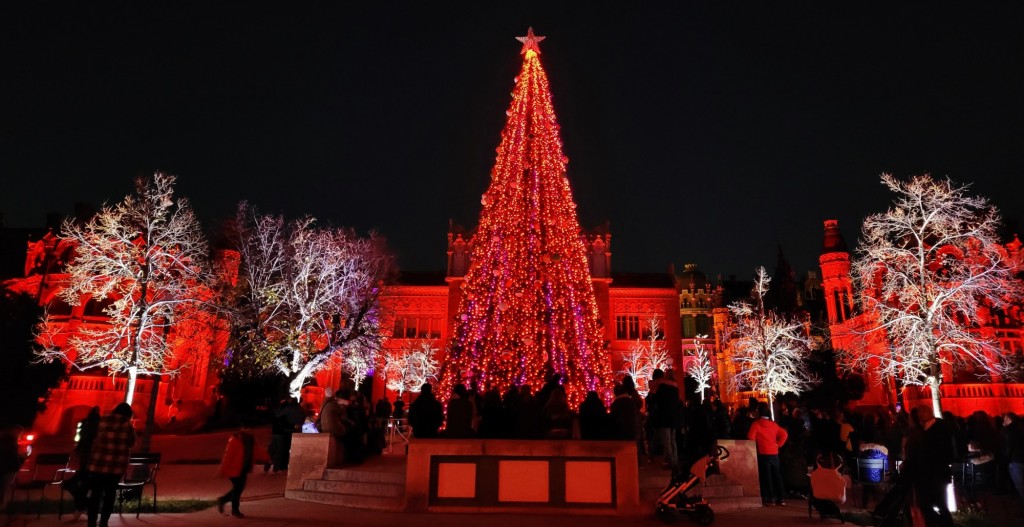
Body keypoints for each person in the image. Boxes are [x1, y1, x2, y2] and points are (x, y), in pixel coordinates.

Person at [902, 404, 955, 527]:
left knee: (939, 503)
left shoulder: (940, 429)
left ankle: (945, 524)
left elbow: (943, 452)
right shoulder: (924, 429)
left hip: (936, 473)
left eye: (921, 413)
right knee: (926, 503)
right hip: (926, 474)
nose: (919, 416)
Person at [86, 403, 136, 527]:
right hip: (116, 466)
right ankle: (104, 522)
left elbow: (94, 438)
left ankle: (91, 522)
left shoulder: (102, 420)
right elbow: (131, 442)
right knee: (110, 493)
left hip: (98, 464)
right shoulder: (127, 424)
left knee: (95, 494)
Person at [216, 423, 267, 518]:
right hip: (233, 469)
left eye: (250, 428)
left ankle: (223, 500)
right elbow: (228, 456)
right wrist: (223, 469)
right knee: (238, 489)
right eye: (247, 428)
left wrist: (267, 457)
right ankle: (235, 510)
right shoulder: (235, 440)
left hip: (243, 468)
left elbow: (257, 450)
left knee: (238, 488)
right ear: (242, 428)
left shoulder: (250, 439)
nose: (249, 430)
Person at [748, 402, 788, 506]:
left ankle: (769, 498)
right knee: (777, 474)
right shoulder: (773, 424)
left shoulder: (756, 424)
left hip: (763, 452)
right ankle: (781, 497)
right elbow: (784, 434)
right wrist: (778, 444)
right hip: (774, 452)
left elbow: (750, 437)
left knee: (767, 476)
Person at [66, 406, 100, 520]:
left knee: (81, 484)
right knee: (86, 485)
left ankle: (81, 507)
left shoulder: (86, 425)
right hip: (94, 467)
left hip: (87, 465)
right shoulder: (99, 429)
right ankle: (85, 506)